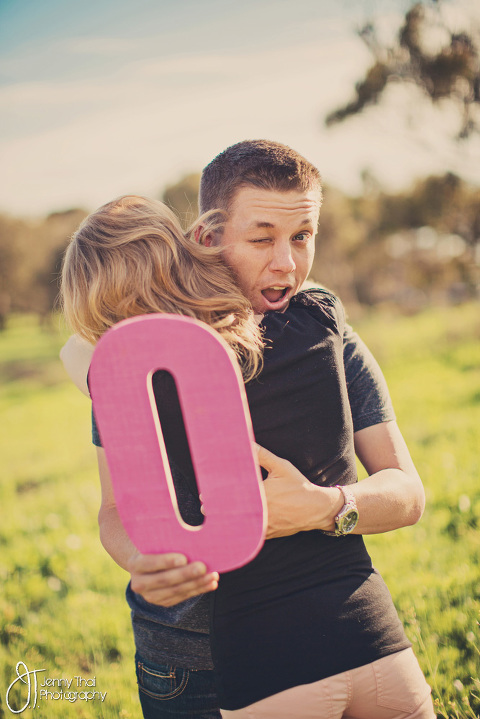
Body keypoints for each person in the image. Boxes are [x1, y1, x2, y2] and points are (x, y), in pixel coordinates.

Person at [60, 141, 434, 719]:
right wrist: (140, 560)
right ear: (207, 239)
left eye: (303, 236)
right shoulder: (137, 357)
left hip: (329, 634)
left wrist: (326, 506)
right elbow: (115, 510)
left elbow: (406, 492)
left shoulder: (321, 328)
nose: (287, 264)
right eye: (262, 239)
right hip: (183, 663)